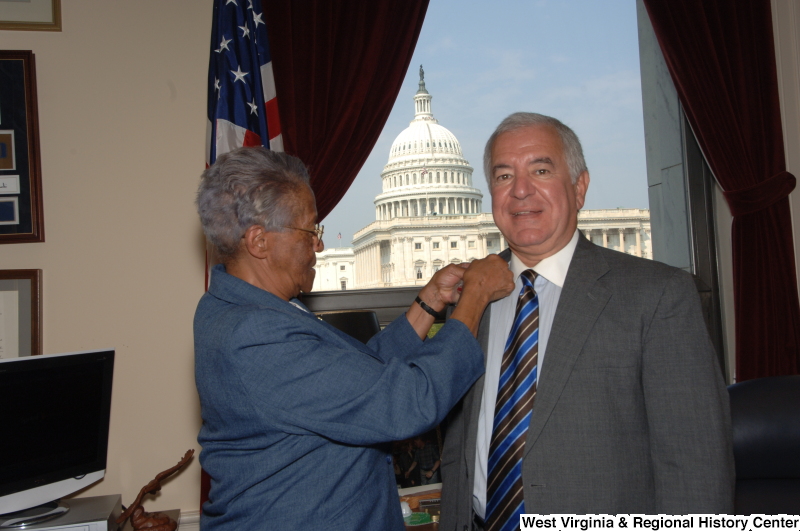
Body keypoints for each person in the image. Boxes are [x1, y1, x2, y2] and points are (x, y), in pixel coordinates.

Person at [193, 146, 514, 531]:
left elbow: (347, 381)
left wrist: (427, 304)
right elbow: (407, 403)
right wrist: (475, 296)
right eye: (310, 230)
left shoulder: (234, 305)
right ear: (259, 241)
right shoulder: (254, 334)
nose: (320, 246)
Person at [439, 113, 735, 529]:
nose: (521, 190)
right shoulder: (472, 299)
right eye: (504, 176)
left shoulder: (657, 295)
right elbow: (460, 445)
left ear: (579, 188)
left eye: (540, 170)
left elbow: (696, 463)